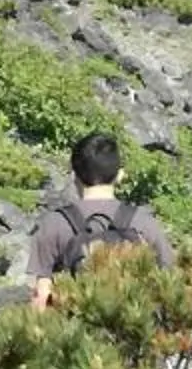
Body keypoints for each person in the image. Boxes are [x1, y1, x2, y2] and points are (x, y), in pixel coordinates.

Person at [25, 131, 174, 308]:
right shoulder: (143, 221)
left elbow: (41, 295)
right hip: (131, 330)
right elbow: (169, 282)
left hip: (74, 330)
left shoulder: (54, 223)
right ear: (120, 175)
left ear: (74, 176)